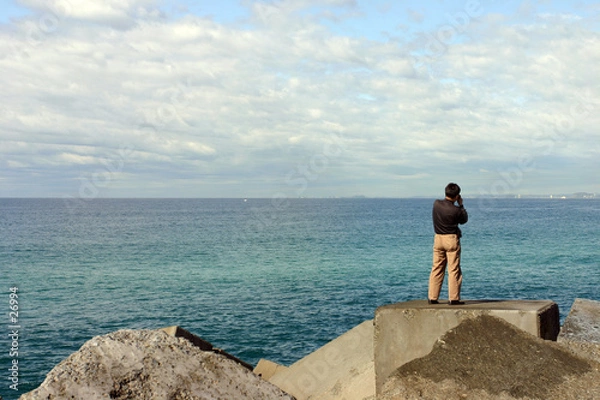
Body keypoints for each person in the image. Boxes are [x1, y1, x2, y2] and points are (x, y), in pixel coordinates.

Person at [428, 183, 468, 305]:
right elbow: (464, 219)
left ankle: (432, 297)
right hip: (451, 239)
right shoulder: (456, 210)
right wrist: (461, 205)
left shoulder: (436, 204)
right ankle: (454, 298)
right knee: (453, 269)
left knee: (437, 268)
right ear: (457, 196)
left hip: (438, 238)